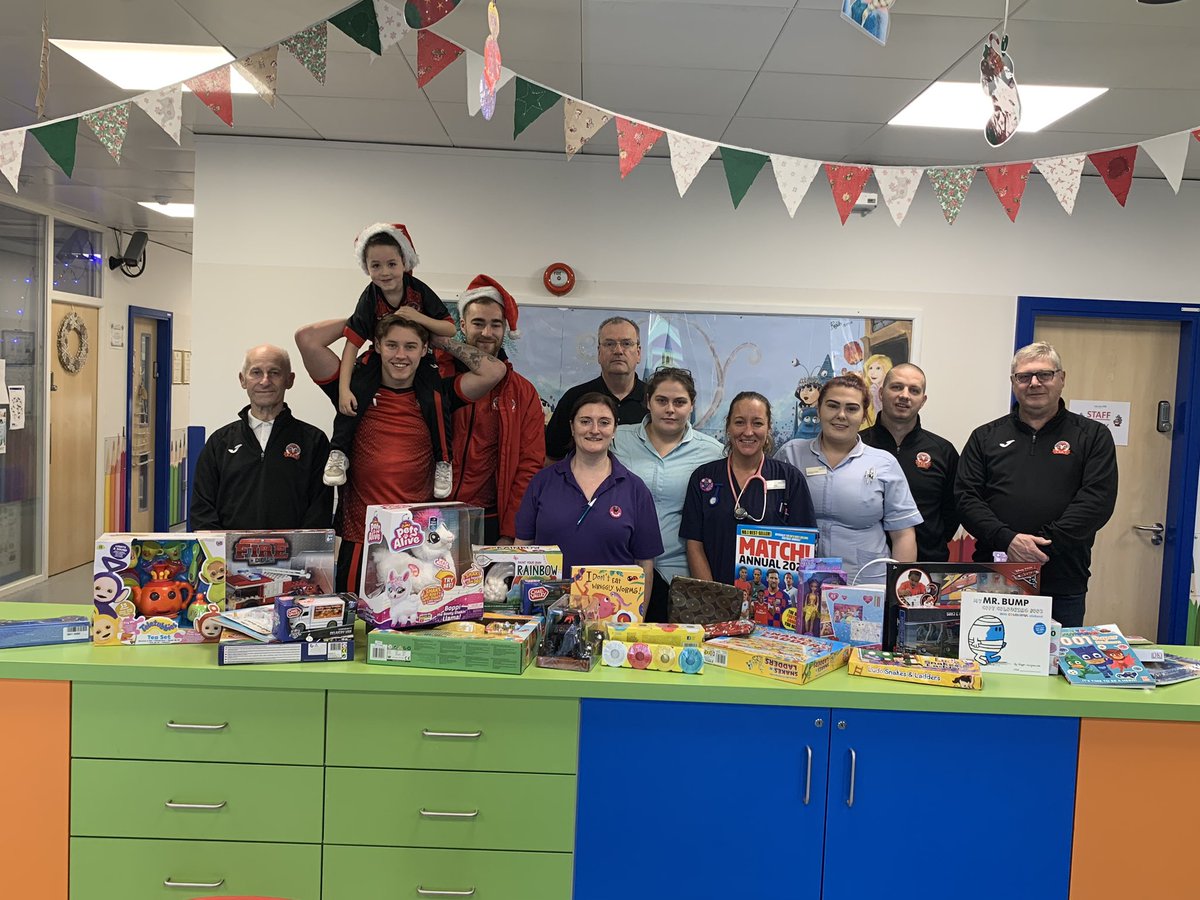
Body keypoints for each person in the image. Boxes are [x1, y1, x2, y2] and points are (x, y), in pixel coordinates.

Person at [298, 314, 507, 591]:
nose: (400, 355)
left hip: (418, 544)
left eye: (410, 346)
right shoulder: (352, 389)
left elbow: (494, 371)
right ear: (378, 346)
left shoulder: (437, 395)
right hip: (361, 538)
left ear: (423, 350)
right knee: (358, 626)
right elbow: (307, 340)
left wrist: (435, 335)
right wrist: (370, 315)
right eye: (392, 345)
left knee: (409, 629)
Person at [956, 341, 1118, 627]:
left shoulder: (1092, 436)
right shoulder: (985, 437)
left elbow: (1096, 501)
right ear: (1013, 382)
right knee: (988, 655)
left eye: (1044, 374)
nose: (1034, 383)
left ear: (1061, 379)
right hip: (994, 575)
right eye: (1024, 376)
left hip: (1063, 578)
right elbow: (966, 498)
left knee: (1055, 667)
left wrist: (1040, 547)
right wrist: (1008, 540)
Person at [293, 223, 457, 495]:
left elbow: (449, 329)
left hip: (425, 362)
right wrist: (344, 389)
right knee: (356, 392)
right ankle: (339, 453)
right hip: (372, 361)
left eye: (391, 264)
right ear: (366, 268)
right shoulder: (369, 297)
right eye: (375, 266)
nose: (384, 272)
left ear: (405, 262)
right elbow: (351, 345)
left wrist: (418, 318)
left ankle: (443, 460)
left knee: (436, 399)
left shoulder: (418, 290)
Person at [776, 374, 921, 582]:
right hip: (802, 585)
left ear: (864, 415)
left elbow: (903, 535)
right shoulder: (791, 454)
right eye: (832, 406)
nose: (841, 415)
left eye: (852, 408)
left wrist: (898, 592)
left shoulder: (884, 463)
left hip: (865, 586)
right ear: (819, 409)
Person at [611, 367, 724, 621]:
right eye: (661, 400)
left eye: (679, 402)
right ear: (648, 401)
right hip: (621, 572)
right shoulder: (617, 440)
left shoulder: (713, 453)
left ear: (692, 405)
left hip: (681, 575)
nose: (670, 409)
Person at [516, 393, 663, 584]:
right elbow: (521, 548)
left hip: (613, 608)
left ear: (614, 430)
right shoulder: (542, 482)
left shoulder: (635, 489)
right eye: (585, 421)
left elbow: (644, 565)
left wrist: (639, 615)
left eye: (604, 422)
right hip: (545, 606)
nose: (594, 430)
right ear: (572, 427)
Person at [681, 391, 817, 587]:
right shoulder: (704, 478)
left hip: (772, 602)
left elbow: (805, 546)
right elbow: (694, 543)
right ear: (728, 426)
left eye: (757, 423)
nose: (748, 431)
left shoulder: (790, 479)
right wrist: (712, 595)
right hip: (717, 599)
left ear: (769, 427)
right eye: (739, 422)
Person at [448, 275, 545, 545]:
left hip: (491, 520)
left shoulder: (522, 392)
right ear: (463, 325)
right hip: (430, 515)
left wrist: (510, 531)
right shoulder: (439, 379)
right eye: (478, 323)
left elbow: (529, 466)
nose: (487, 333)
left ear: (505, 329)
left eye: (495, 324)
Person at [191, 345, 331, 531]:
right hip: (229, 556)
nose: (265, 381)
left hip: (293, 556)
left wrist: (302, 554)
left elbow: (319, 510)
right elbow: (202, 507)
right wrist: (218, 551)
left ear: (289, 380)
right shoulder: (220, 443)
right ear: (243, 380)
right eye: (256, 372)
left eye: (274, 373)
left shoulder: (314, 442)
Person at [861, 363, 960, 561]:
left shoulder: (943, 451)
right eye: (896, 387)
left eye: (914, 390)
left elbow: (953, 512)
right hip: (867, 566)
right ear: (881, 393)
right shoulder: (858, 445)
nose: (904, 395)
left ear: (922, 401)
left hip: (928, 564)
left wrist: (931, 541)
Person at [544, 317, 646, 463]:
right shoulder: (574, 398)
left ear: (638, 353)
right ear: (599, 352)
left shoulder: (654, 401)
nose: (618, 351)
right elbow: (552, 457)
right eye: (609, 344)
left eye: (626, 343)